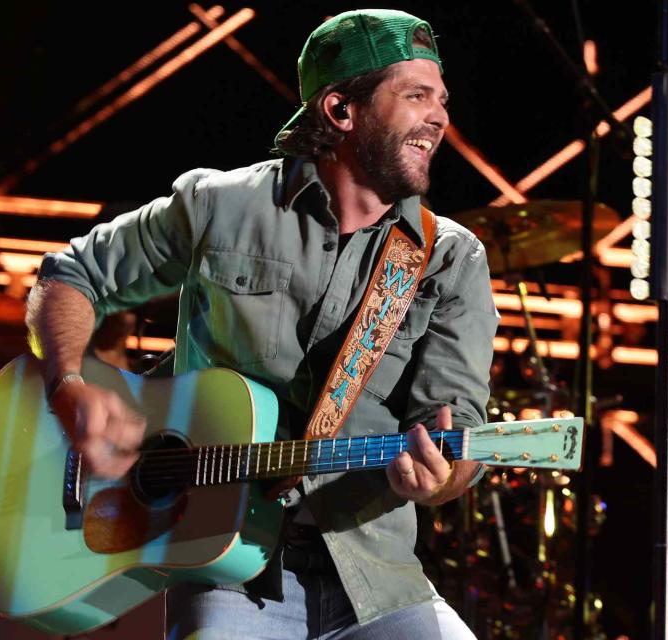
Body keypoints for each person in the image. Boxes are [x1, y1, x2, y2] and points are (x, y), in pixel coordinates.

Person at [26, 8, 500, 639]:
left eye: (440, 98)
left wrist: (444, 478)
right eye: (416, 97)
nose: (438, 118)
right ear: (341, 110)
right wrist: (67, 389)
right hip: (224, 572)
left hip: (375, 576)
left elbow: (457, 428)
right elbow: (68, 275)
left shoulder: (450, 259)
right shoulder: (218, 205)